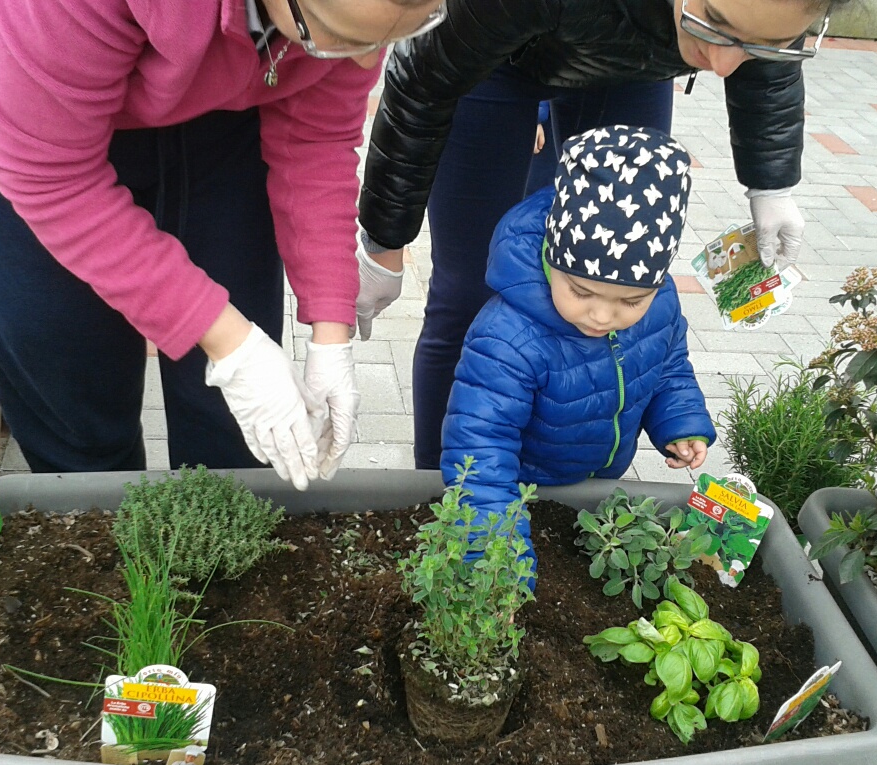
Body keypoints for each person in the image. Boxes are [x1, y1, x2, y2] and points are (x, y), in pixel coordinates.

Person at [0, 0, 445, 489]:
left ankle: (219, 540)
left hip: (224, 61)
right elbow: (49, 177)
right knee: (71, 375)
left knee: (229, 408)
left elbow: (316, 135)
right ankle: (101, 532)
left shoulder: (336, 22)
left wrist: (330, 333)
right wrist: (235, 347)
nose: (353, 59)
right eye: (333, 34)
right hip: (21, 85)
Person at [353, 0, 851, 470]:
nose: (722, 66)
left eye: (749, 43)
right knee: (468, 294)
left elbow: (761, 32)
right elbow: (422, 82)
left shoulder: (743, 27)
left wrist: (771, 182)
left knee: (617, 283)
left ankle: (558, 483)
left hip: (629, 60)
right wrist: (385, 241)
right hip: (490, 57)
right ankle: (441, 490)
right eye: (712, 21)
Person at [441, 126, 716, 577]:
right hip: (523, 490)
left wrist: (680, 422)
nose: (603, 316)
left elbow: (668, 367)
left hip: (598, 487)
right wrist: (498, 557)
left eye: (630, 301)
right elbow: (480, 448)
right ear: (551, 258)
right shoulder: (508, 336)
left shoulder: (660, 304)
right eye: (582, 291)